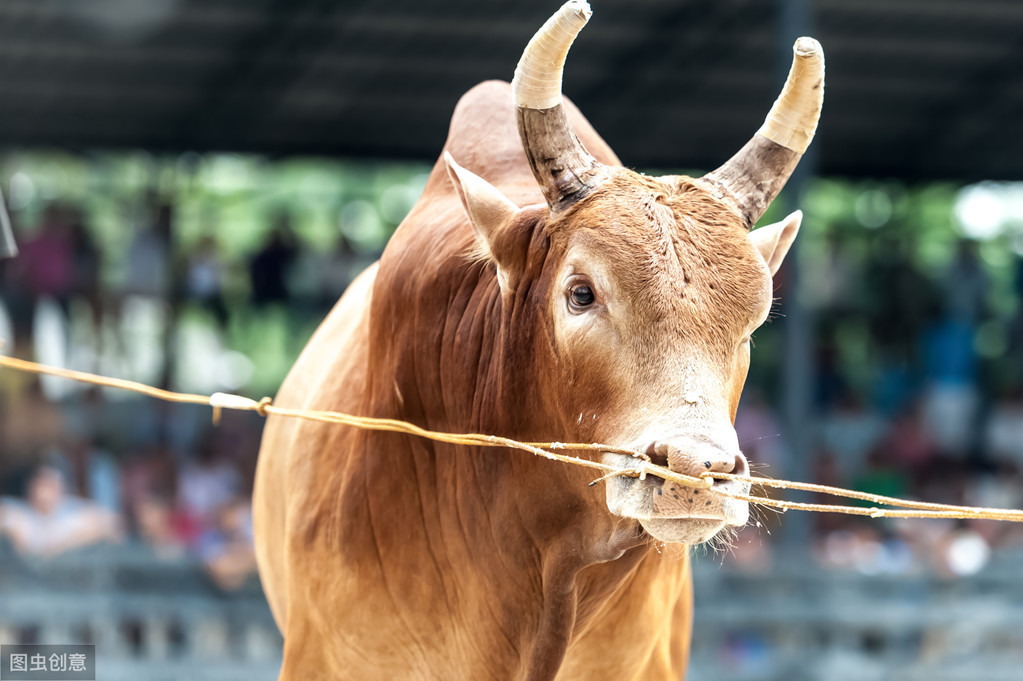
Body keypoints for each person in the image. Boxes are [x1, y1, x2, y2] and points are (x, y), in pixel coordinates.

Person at [0, 464, 122, 557]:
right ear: (31, 487)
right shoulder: (18, 512)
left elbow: (114, 526)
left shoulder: (73, 512)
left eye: (51, 485)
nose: (45, 493)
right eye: (41, 485)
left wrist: (73, 542)